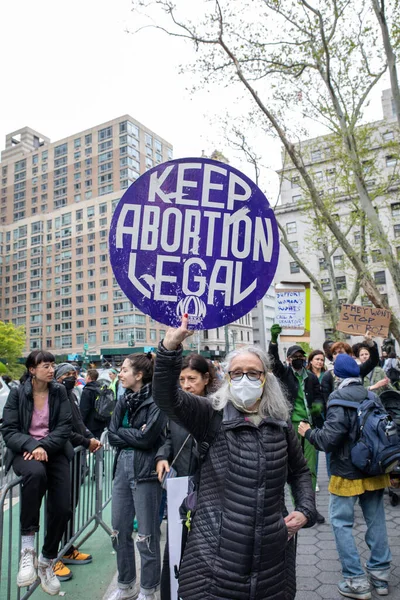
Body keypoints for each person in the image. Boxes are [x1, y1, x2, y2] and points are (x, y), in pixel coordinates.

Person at [152, 315, 316, 600]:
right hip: (213, 560)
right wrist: (169, 347)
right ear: (227, 378)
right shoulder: (210, 416)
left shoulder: (280, 424)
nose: (245, 379)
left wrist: (305, 510)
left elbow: (300, 472)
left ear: (266, 378)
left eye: (253, 373)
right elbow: (168, 397)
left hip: (272, 561)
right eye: (237, 373)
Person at [298, 353, 392, 600]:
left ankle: (356, 580)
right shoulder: (372, 396)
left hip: (346, 472)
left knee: (341, 523)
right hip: (374, 469)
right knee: (376, 520)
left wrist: (308, 432)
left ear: (337, 374)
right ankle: (380, 576)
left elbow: (329, 440)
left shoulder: (337, 398)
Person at [1, 351, 73, 596]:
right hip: (25, 452)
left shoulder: (59, 392)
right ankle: (27, 549)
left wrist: (44, 447)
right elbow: (9, 430)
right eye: (46, 365)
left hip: (54, 450)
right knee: (35, 474)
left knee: (64, 508)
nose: (51, 370)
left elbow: (65, 427)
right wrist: (32, 446)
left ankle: (46, 560)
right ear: (32, 369)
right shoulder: (17, 393)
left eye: (53, 365)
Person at [155, 353, 217, 600]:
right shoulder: (177, 408)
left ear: (206, 378)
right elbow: (169, 438)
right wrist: (162, 456)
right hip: (181, 488)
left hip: (210, 489)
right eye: (181, 379)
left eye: (191, 378)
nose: (186, 385)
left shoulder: (217, 408)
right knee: (176, 544)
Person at [108, 353, 167, 600]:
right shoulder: (123, 399)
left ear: (139, 375)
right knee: (119, 530)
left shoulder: (157, 400)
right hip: (122, 467)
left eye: (124, 370)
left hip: (146, 472)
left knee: (147, 535)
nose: (120, 374)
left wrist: (125, 432)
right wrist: (133, 433)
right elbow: (111, 434)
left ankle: (148, 590)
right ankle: (126, 585)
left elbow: (148, 438)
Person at [268, 324, 325, 523]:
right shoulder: (284, 374)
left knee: (310, 468)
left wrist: (318, 408)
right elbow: (273, 362)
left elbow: (319, 398)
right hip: (290, 425)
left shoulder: (311, 378)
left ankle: (310, 508)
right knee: (292, 467)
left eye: (302, 357)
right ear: (289, 360)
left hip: (308, 427)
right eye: (295, 357)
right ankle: (295, 507)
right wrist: (274, 340)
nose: (299, 360)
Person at [53, 363, 102, 582]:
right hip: (60, 459)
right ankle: (52, 557)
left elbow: (79, 423)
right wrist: (86, 441)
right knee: (59, 508)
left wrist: (89, 436)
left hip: (74, 457)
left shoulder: (71, 395)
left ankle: (67, 547)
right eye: (67, 374)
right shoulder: (56, 396)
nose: (72, 377)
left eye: (74, 373)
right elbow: (62, 431)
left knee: (71, 505)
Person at [321, 332, 379, 406]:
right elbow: (326, 401)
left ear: (349, 354)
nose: (337, 355)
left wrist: (370, 343)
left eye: (341, 352)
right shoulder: (328, 375)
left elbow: (373, 361)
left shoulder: (358, 370)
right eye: (335, 353)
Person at [80, 368, 105, 440]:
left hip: (90, 424)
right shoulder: (101, 388)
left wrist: (81, 424)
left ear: (88, 377)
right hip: (101, 421)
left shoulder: (87, 391)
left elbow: (84, 409)